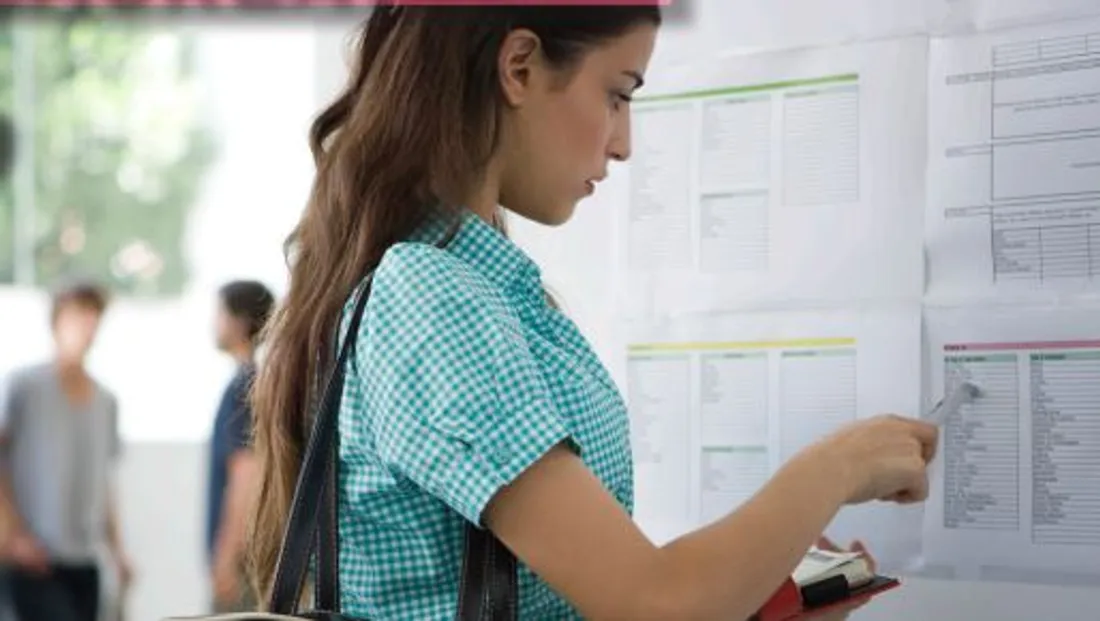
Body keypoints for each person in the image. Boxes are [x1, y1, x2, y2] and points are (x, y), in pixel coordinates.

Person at [247, 5, 939, 620]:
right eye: (617, 94)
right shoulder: (432, 296)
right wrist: (838, 466)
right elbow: (655, 601)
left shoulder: (483, 292)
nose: (623, 142)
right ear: (519, 67)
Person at [0, 279, 133, 621]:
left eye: (93, 317)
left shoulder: (106, 400)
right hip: (34, 558)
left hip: (85, 560)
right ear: (56, 321)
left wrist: (118, 551)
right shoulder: (24, 387)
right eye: (77, 316)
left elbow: (104, 482)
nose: (86, 327)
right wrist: (12, 536)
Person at [206, 280, 274, 613]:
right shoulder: (257, 381)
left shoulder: (245, 386)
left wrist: (226, 557)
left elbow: (246, 472)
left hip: (244, 562)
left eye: (219, 314)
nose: (213, 323)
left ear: (240, 321)